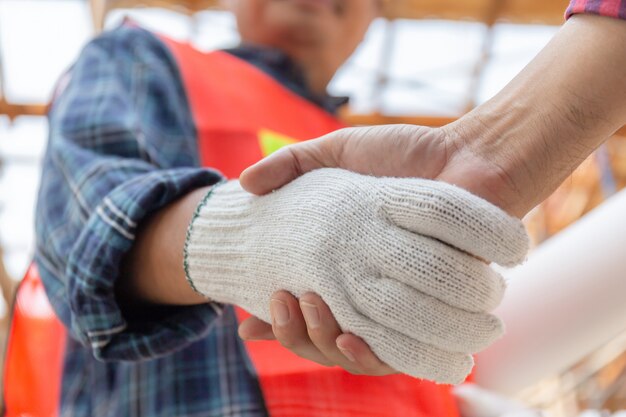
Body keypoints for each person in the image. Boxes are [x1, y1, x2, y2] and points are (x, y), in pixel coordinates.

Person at [28, 1, 527, 416]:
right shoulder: (142, 59)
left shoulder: (406, 160)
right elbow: (82, 230)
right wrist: (248, 237)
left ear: (373, 16)